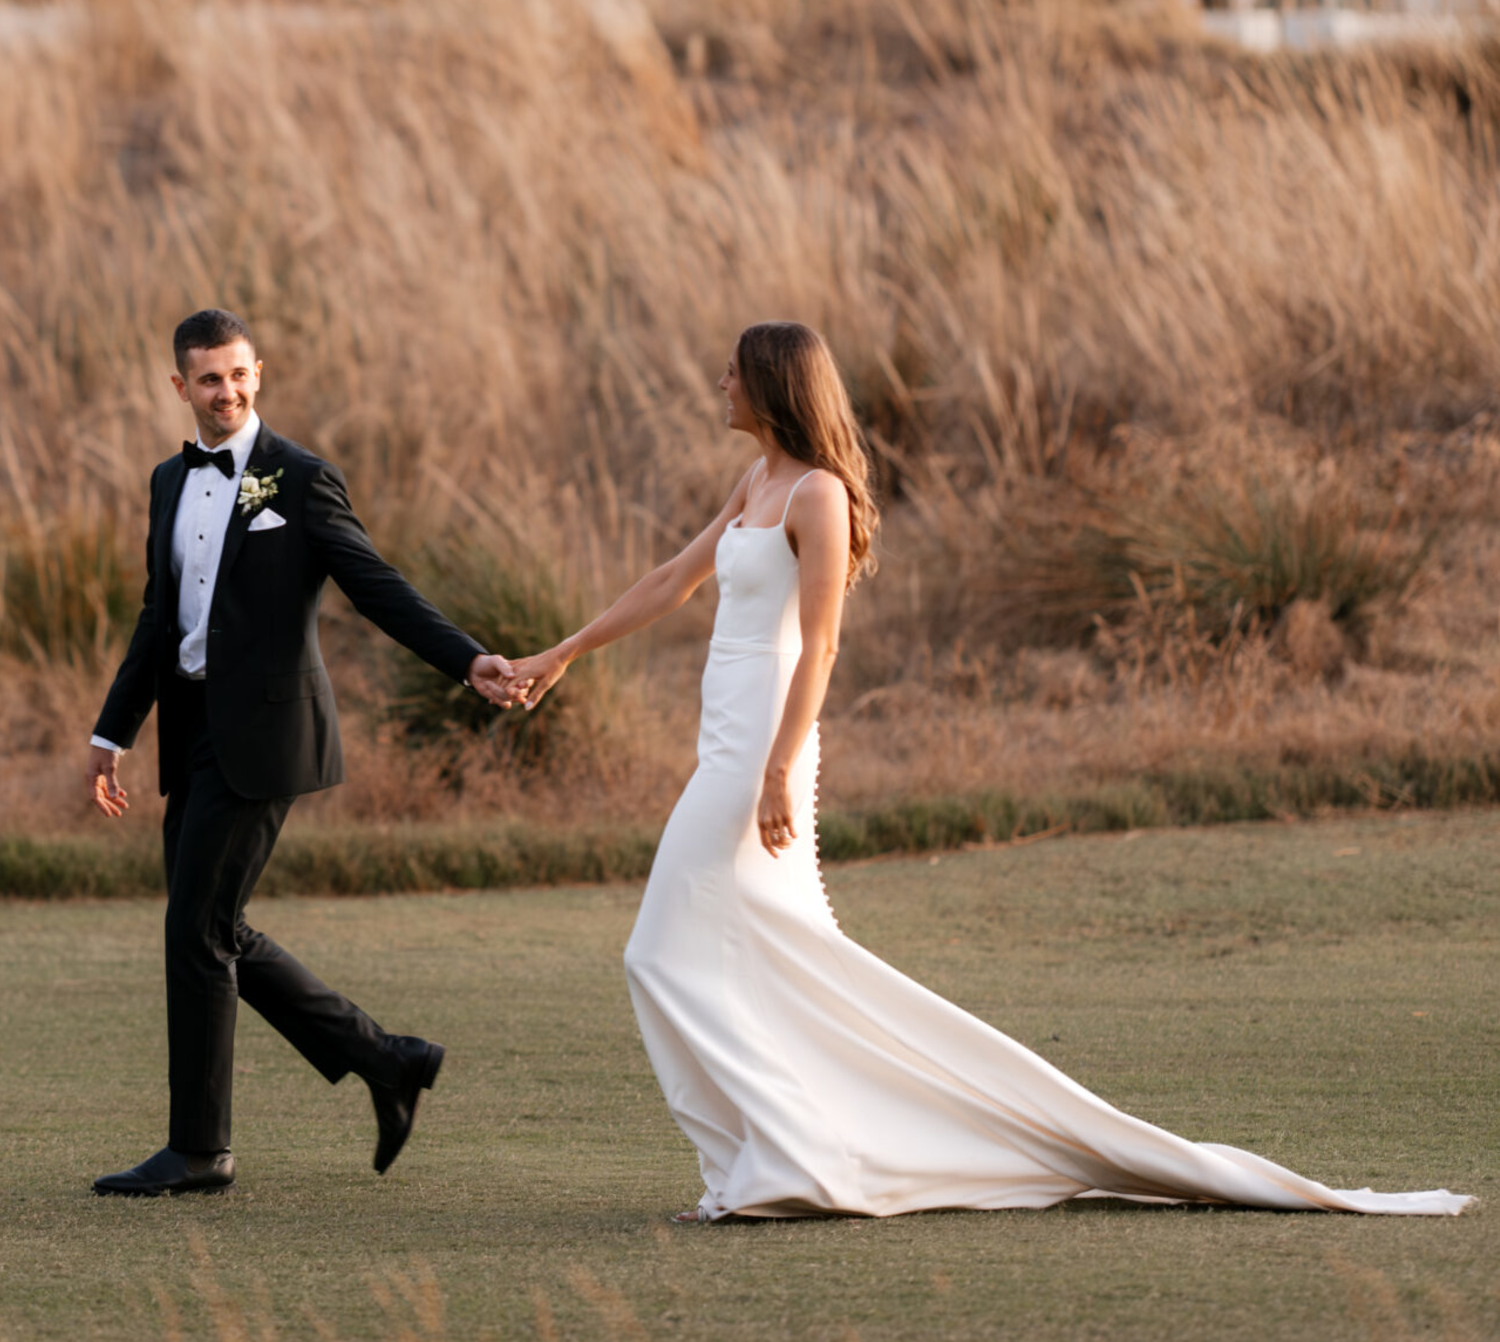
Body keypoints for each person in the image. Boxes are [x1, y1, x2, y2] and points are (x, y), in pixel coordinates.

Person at [508, 319, 1469, 1227]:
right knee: (741, 957)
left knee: (660, 953)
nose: (718, 381)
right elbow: (670, 580)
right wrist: (562, 653)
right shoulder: (754, 481)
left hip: (761, 748)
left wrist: (775, 771)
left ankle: (782, 1165)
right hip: (724, 741)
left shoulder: (817, 497)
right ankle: (776, 1164)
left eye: (732, 369)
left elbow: (825, 646)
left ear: (771, 385)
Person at [84, 309, 523, 1199]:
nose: (227, 390)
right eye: (208, 378)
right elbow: (156, 617)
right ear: (180, 386)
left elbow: (376, 584)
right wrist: (111, 731)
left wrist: (467, 658)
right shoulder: (170, 481)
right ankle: (387, 1059)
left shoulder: (301, 478)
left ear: (259, 373)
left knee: (195, 932)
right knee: (216, 929)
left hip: (268, 733)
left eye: (239, 374)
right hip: (193, 728)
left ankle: (201, 1149)